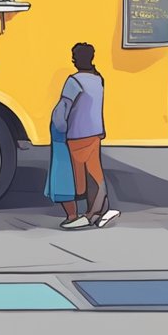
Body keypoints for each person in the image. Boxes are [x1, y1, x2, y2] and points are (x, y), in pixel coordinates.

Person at [56, 42, 119, 229]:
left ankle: (88, 214)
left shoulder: (73, 81)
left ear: (76, 59)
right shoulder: (98, 79)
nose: (73, 60)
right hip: (95, 132)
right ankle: (99, 209)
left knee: (78, 176)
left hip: (76, 134)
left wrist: (59, 128)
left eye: (74, 57)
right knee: (95, 173)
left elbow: (63, 109)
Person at [44, 82, 79, 225]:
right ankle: (73, 214)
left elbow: (59, 123)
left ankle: (72, 215)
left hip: (61, 142)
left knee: (63, 178)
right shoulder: (71, 106)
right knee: (67, 177)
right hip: (64, 141)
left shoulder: (64, 105)